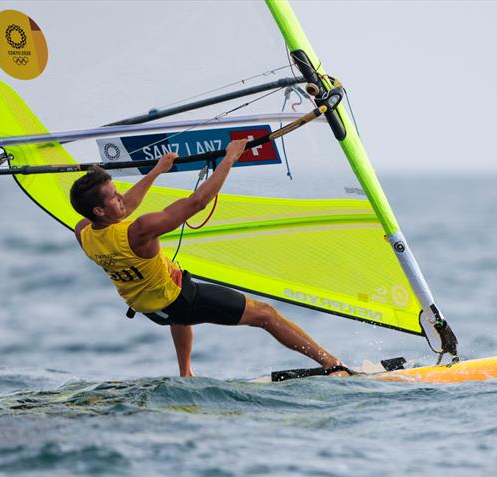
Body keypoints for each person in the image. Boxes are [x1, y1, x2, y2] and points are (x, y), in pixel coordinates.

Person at [69, 139, 348, 377]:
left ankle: (185, 373)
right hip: (180, 301)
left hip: (150, 309)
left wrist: (156, 171)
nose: (121, 196)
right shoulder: (139, 231)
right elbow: (197, 202)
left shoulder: (83, 232)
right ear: (100, 211)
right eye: (113, 196)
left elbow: (123, 207)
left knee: (175, 304)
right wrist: (230, 158)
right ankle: (331, 364)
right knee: (265, 314)